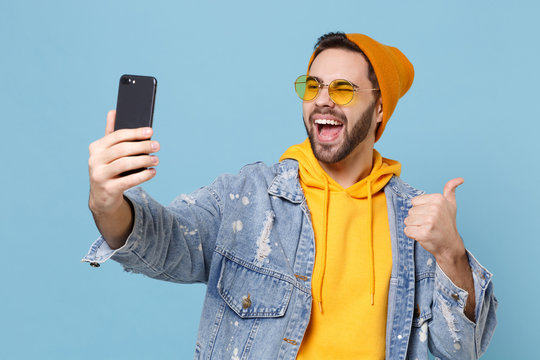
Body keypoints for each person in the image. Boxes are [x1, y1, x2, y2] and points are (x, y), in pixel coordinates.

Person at [83, 32, 497, 359]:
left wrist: (451, 254)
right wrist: (108, 203)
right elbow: (163, 243)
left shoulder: (417, 221)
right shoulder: (247, 198)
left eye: (344, 89)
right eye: (312, 85)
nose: (322, 100)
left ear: (380, 108)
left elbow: (461, 352)